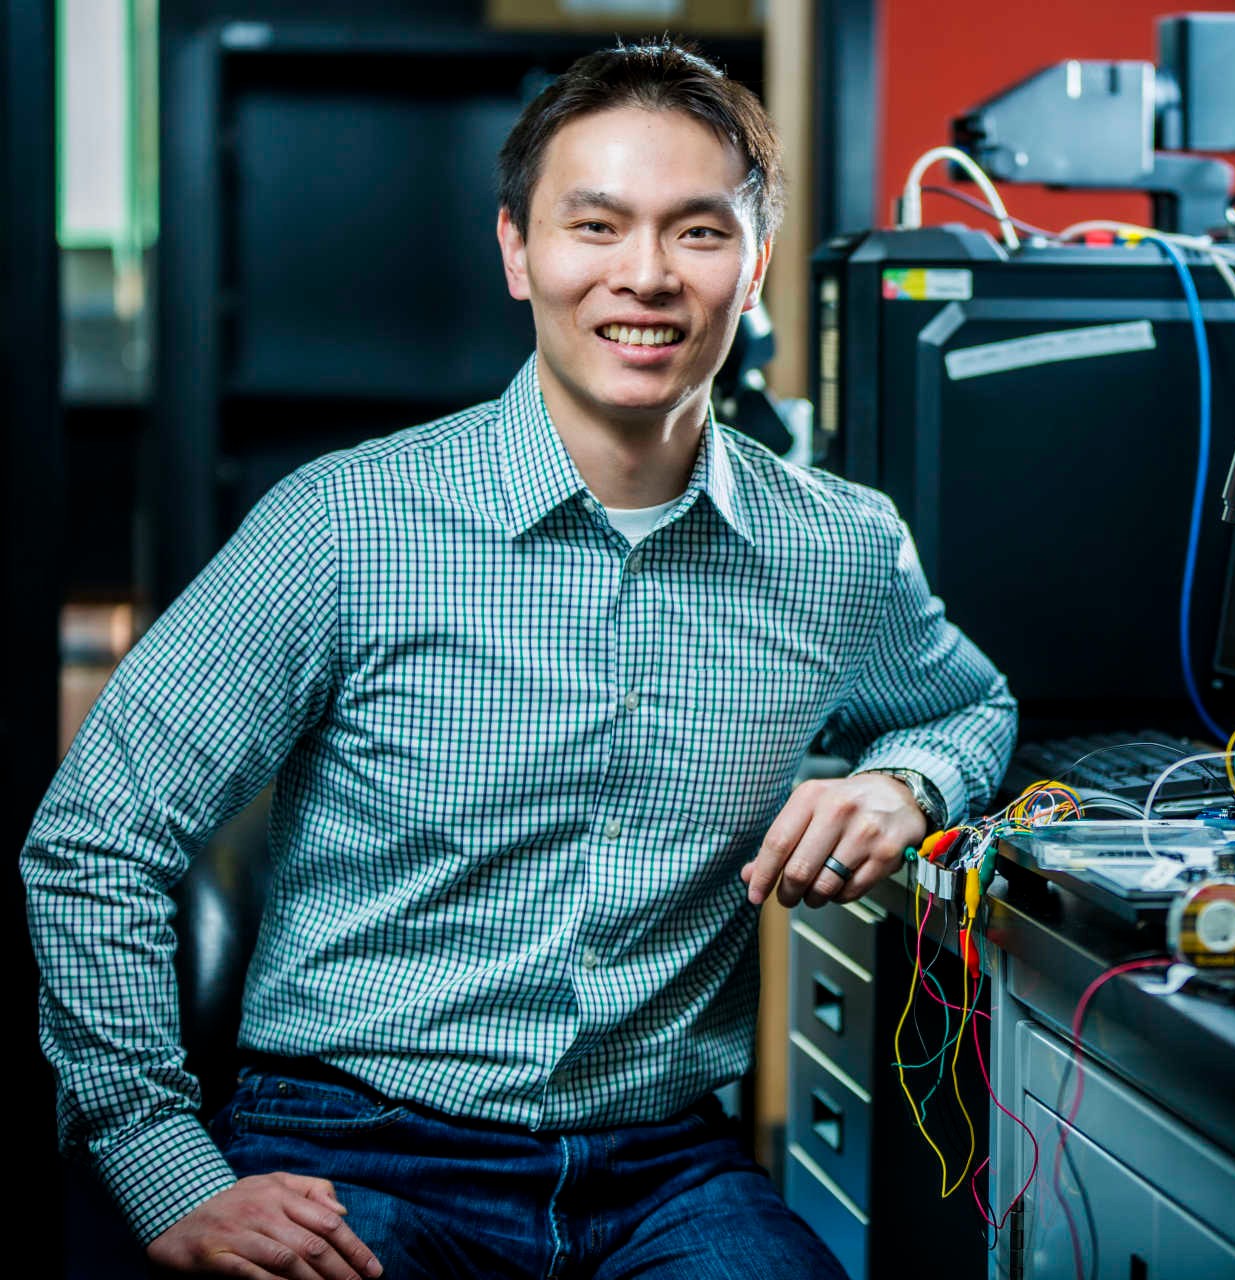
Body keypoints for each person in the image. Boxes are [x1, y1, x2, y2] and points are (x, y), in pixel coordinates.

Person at [22, 40, 1014, 1280]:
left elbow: (973, 705)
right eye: (595, 226)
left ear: (754, 265)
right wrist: (163, 1165)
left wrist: (905, 781)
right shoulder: (347, 523)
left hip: (663, 1164)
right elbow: (95, 833)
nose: (643, 276)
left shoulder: (840, 551)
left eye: (697, 233)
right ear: (517, 251)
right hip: (358, 1144)